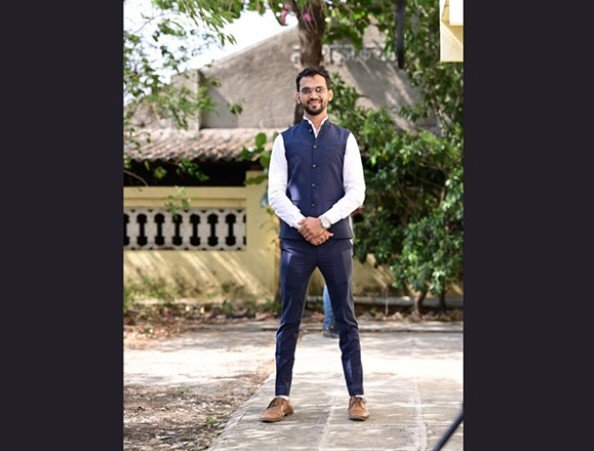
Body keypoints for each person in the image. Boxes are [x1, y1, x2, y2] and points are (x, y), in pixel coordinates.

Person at [261, 66, 369, 423]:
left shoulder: (346, 139)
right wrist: (303, 225)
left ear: (329, 94)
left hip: (336, 240)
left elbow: (356, 192)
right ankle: (281, 397)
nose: (313, 95)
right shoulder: (284, 140)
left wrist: (322, 222)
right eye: (306, 90)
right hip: (296, 244)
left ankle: (356, 396)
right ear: (298, 96)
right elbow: (275, 194)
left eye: (319, 89)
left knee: (346, 319)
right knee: (289, 319)